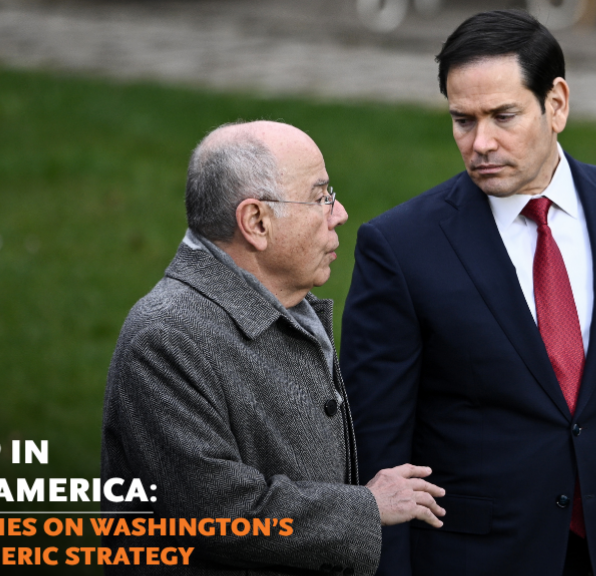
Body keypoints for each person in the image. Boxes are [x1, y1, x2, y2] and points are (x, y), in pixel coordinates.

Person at [340, 10, 596, 576]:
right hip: (472, 560)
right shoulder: (400, 248)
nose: (480, 142)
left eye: (503, 116)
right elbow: (375, 450)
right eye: (462, 120)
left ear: (556, 103)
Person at [101, 120, 446, 576]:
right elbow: (217, 513)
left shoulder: (285, 306)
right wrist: (365, 507)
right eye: (321, 196)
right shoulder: (166, 337)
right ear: (256, 222)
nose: (339, 212)